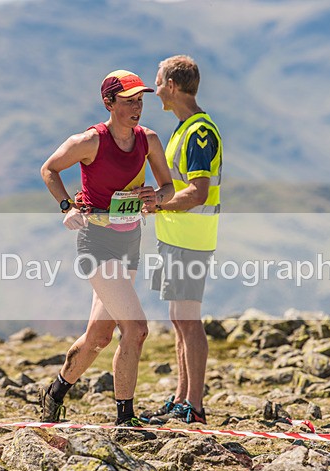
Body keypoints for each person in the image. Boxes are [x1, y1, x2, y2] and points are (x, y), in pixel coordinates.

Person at [39, 69, 174, 428]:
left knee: (99, 336)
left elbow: (168, 188)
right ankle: (125, 420)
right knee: (137, 328)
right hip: (96, 243)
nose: (137, 107)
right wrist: (67, 207)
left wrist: (154, 198)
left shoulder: (149, 139)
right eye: (129, 101)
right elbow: (49, 170)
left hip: (130, 241)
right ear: (109, 102)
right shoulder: (89, 141)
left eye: (140, 100)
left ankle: (54, 392)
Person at [140, 55, 223, 426]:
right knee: (178, 319)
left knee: (189, 321)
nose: (155, 88)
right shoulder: (183, 128)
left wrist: (160, 204)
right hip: (175, 236)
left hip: (190, 236)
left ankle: (195, 405)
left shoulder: (198, 131)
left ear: (172, 86)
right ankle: (180, 399)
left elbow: (199, 192)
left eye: (157, 82)